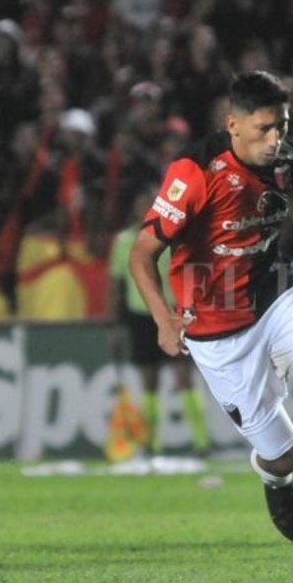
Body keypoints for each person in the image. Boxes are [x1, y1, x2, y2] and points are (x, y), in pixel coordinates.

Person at [129, 70, 293, 547]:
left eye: (282, 126)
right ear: (233, 124)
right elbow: (141, 254)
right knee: (284, 455)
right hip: (215, 328)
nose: (275, 139)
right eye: (264, 129)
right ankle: (276, 482)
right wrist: (163, 318)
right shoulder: (194, 173)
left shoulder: (282, 158)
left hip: (276, 293)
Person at [108, 187, 210, 458]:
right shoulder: (124, 242)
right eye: (143, 204)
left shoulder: (174, 237)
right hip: (140, 316)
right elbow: (115, 285)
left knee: (184, 377)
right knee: (149, 382)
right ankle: (151, 445)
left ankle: (201, 443)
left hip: (174, 313)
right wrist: (115, 326)